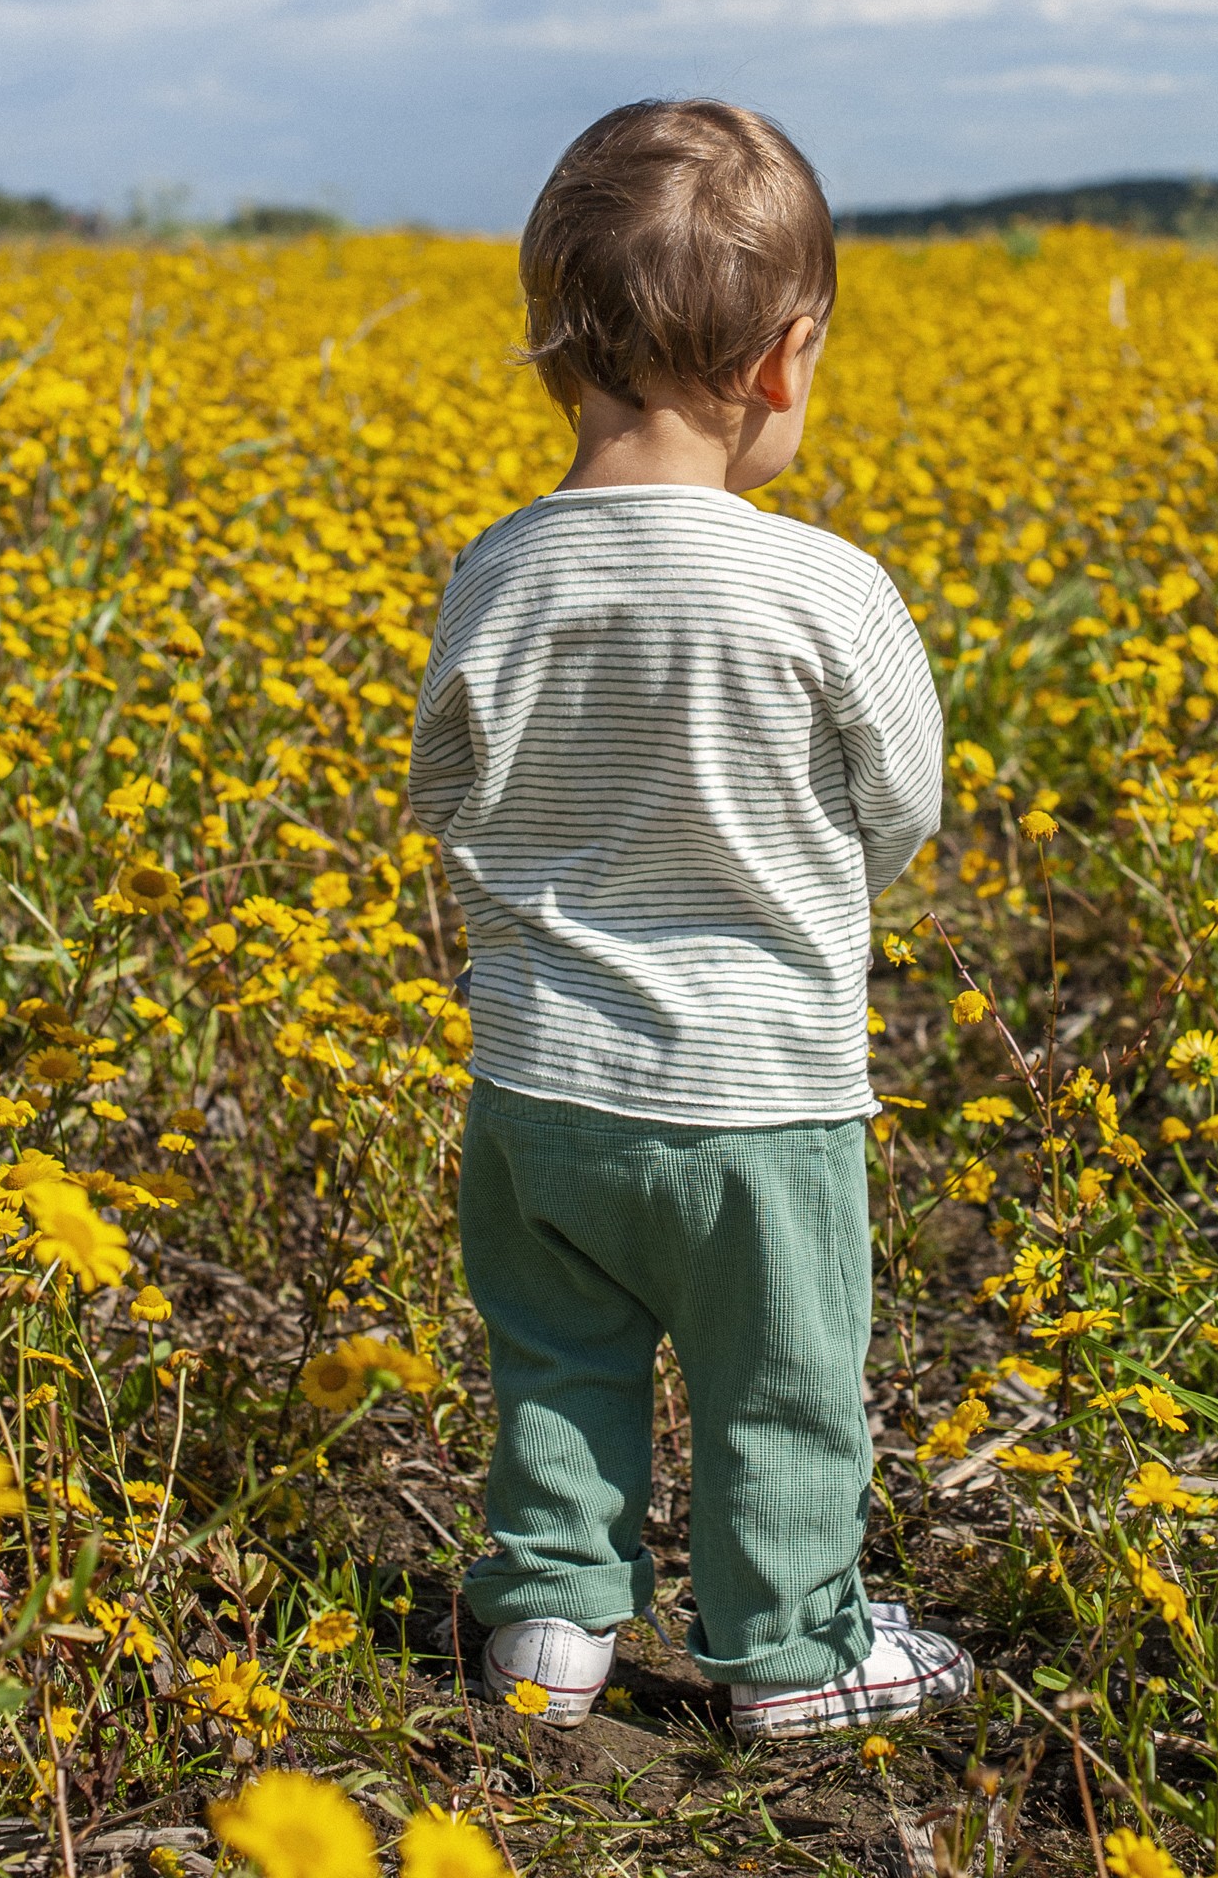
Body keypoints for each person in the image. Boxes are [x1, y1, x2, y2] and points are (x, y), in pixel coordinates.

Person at [409, 99, 971, 1737]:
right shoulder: (827, 592)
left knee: (559, 1361)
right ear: (785, 365)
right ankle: (791, 1657)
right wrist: (815, 904)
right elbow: (903, 806)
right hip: (760, 1097)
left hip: (539, 1087)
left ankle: (549, 1628)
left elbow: (448, 788)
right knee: (778, 1392)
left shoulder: (499, 572)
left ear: (546, 354)